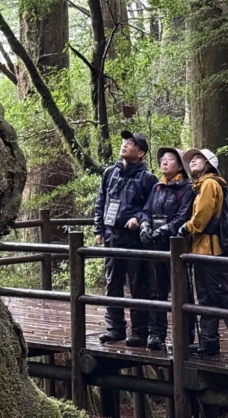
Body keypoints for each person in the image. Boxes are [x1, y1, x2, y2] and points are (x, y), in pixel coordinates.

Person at [178, 148, 228, 364]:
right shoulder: (201, 185)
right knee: (206, 298)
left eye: (198, 158)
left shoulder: (210, 183)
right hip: (202, 250)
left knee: (223, 298)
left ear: (208, 163)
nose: (193, 161)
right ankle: (209, 342)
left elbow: (201, 217)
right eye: (191, 159)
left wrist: (186, 227)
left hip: (211, 251)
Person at [93, 131, 157, 345]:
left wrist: (138, 218)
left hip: (135, 238)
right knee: (113, 282)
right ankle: (115, 328)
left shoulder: (148, 179)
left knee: (139, 285)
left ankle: (140, 332)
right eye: (124, 142)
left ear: (140, 153)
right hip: (113, 234)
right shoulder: (110, 173)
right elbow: (101, 200)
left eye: (131, 144)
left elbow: (152, 208)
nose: (125, 145)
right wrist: (99, 229)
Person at [137, 147, 195, 351]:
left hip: (176, 247)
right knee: (156, 290)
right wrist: (144, 225)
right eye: (162, 159)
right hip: (155, 247)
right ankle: (156, 334)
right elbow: (145, 210)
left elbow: (184, 216)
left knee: (181, 291)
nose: (164, 162)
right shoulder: (157, 188)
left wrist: (165, 230)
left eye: (170, 159)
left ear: (179, 165)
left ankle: (185, 336)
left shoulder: (186, 188)